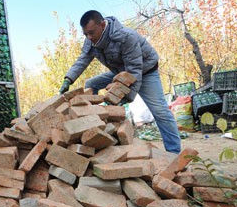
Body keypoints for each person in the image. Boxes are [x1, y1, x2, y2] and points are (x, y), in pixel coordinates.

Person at [59, 10, 181, 154]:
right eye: (85, 34)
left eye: (91, 32)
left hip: (145, 71)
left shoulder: (125, 36)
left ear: (103, 25)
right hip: (121, 71)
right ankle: (94, 124)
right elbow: (82, 61)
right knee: (92, 84)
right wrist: (68, 79)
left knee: (160, 111)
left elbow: (134, 70)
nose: (89, 37)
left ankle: (174, 153)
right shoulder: (91, 40)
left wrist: (126, 96)